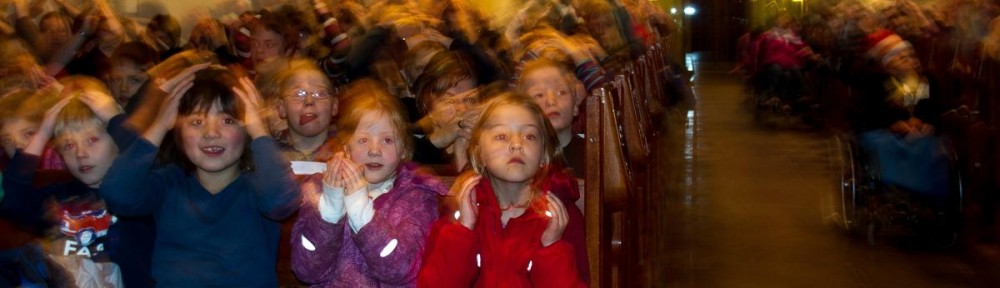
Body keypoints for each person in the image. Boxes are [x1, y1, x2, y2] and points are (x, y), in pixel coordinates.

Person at [97, 66, 301, 286]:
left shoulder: (259, 187)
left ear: (246, 131)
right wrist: (159, 125)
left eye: (228, 121)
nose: (211, 133)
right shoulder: (168, 182)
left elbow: (280, 202)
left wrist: (260, 130)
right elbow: (117, 195)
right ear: (178, 132)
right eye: (197, 122)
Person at [419, 92, 586, 287]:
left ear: (544, 155)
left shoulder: (562, 218)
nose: (516, 144)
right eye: (501, 136)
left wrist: (552, 248)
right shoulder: (458, 212)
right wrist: (462, 231)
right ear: (479, 152)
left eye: (529, 136)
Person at [0, 77, 153, 287]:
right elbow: (11, 200)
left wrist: (114, 118)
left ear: (116, 139)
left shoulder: (143, 192)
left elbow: (145, 157)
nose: (81, 153)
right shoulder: (58, 197)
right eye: (69, 146)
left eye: (92, 140)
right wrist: (42, 133)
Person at [291, 81, 448, 287]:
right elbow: (306, 270)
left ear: (403, 150)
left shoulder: (417, 196)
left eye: (387, 140)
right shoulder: (318, 191)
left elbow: (402, 269)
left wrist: (360, 210)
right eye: (363, 140)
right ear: (346, 147)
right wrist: (329, 210)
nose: (375, 150)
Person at [518, 58, 587, 176]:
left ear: (575, 106)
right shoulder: (519, 159)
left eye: (561, 92)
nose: (551, 101)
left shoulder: (594, 153)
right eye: (539, 95)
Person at [274, 60, 339, 162]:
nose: (309, 101)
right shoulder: (267, 155)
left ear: (334, 106)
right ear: (282, 108)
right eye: (298, 94)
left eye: (320, 94)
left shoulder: (350, 153)